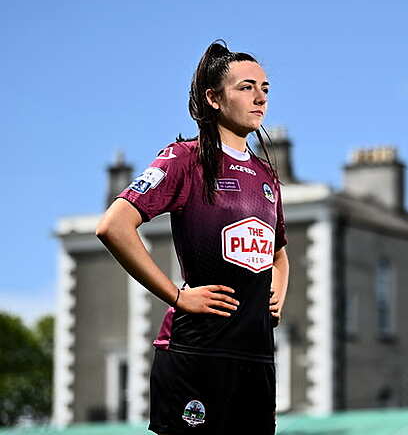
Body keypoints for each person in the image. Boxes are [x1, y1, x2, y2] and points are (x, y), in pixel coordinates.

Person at [96, 40, 288, 434]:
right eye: (246, 87)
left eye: (265, 88)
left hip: (256, 361)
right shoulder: (185, 158)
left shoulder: (268, 176)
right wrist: (178, 296)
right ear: (214, 98)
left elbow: (279, 254)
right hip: (195, 356)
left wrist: (276, 298)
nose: (259, 98)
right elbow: (113, 226)